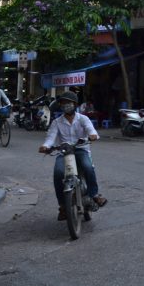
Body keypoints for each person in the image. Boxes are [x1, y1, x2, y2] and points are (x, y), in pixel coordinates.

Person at [38, 91, 107, 220]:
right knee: (58, 173)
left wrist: (92, 136)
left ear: (74, 104)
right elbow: (50, 138)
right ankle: (63, 206)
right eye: (63, 103)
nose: (65, 105)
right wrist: (45, 146)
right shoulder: (57, 122)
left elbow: (92, 131)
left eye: (68, 103)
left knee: (88, 167)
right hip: (64, 151)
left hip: (81, 149)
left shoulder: (83, 119)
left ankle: (94, 195)